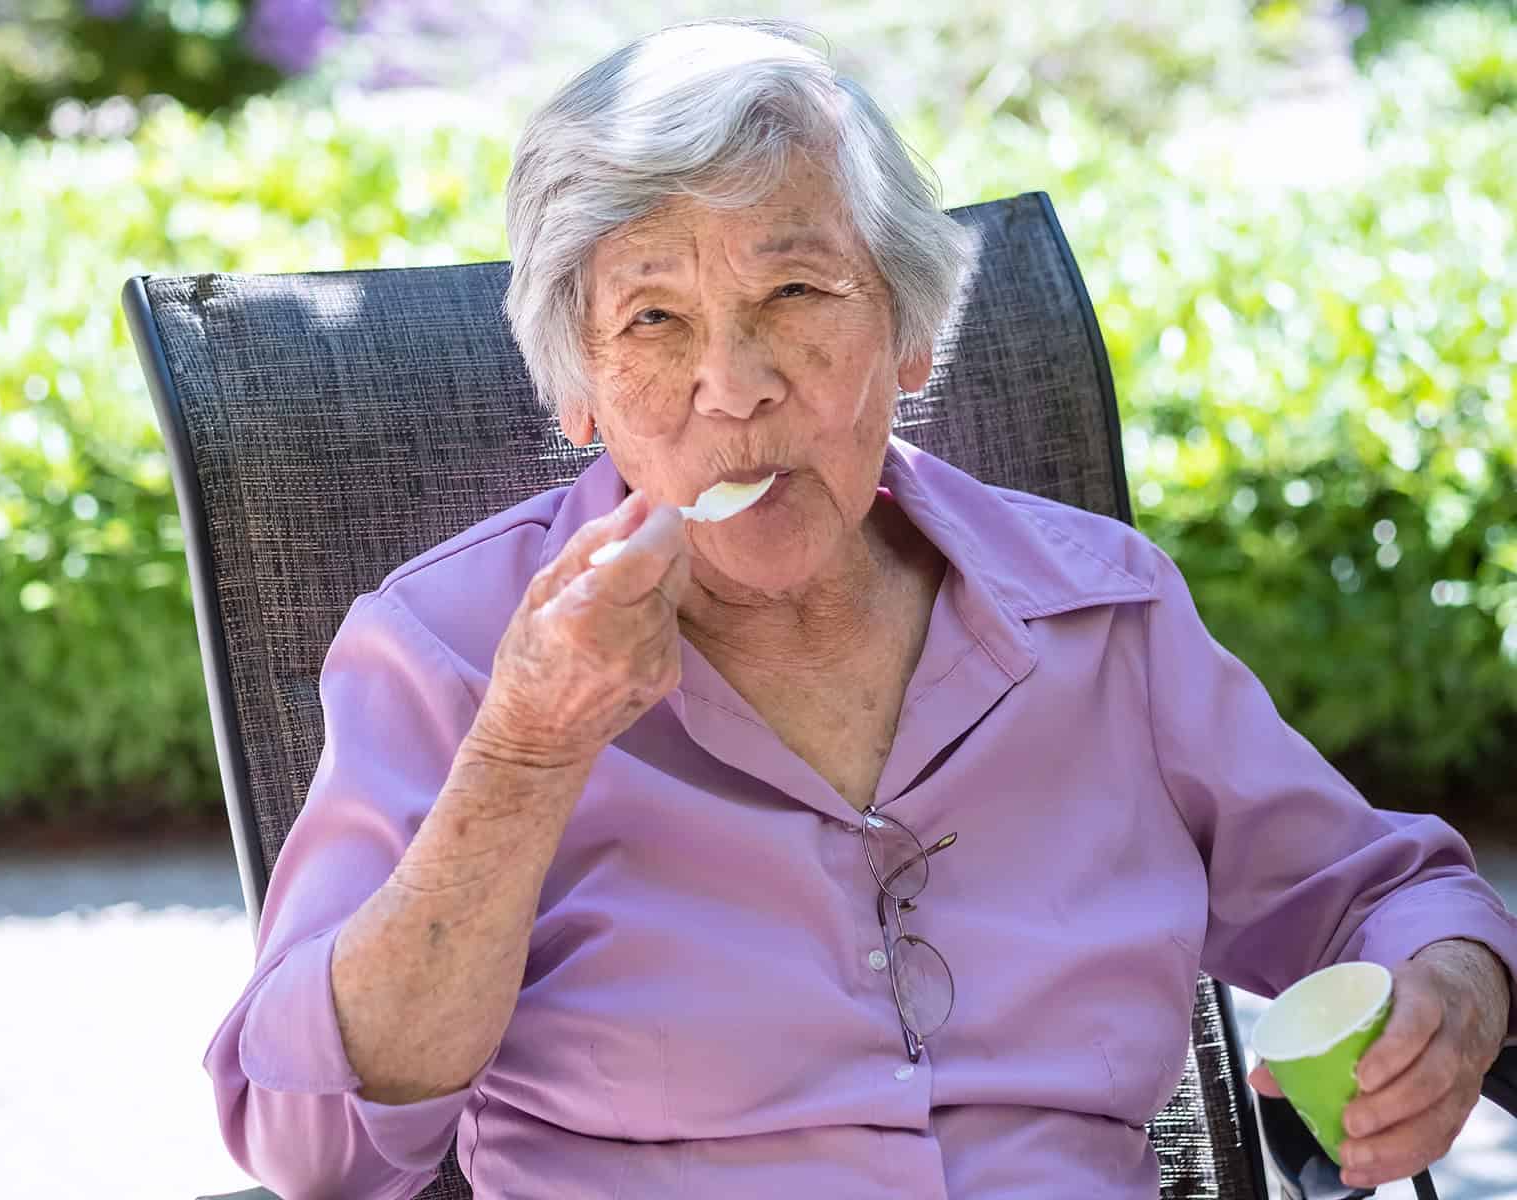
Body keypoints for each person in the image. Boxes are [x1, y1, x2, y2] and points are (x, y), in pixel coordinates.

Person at [203, 20, 1516, 1199]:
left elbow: (1384, 892)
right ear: (579, 390)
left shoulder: (1099, 614)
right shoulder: (446, 653)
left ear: (909, 333)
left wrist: (1448, 992)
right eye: (655, 318)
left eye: (795, 292)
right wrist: (527, 753)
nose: (734, 383)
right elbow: (314, 1146)